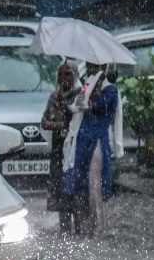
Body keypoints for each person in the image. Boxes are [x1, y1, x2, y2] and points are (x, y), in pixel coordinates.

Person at [62, 62, 124, 238]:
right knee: (83, 182)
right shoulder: (88, 85)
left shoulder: (110, 90)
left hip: (97, 140)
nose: (91, 70)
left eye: (94, 67)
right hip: (83, 140)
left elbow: (101, 107)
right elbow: (76, 106)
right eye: (89, 66)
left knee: (95, 183)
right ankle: (87, 224)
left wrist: (88, 100)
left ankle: (98, 225)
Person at [41, 60, 80, 234]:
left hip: (74, 149)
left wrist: (62, 122)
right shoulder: (54, 97)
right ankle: (64, 231)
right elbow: (44, 122)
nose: (64, 78)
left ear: (75, 76)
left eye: (68, 74)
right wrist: (60, 125)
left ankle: (79, 228)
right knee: (59, 187)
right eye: (61, 75)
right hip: (58, 150)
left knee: (75, 188)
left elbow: (78, 121)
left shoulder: (80, 95)